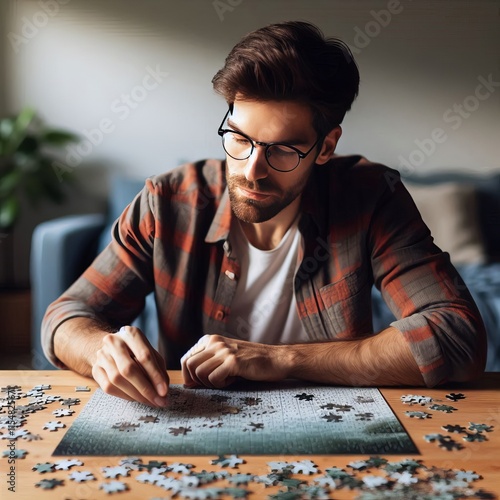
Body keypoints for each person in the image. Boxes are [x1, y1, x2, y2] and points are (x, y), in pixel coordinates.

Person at [42, 21, 486, 408]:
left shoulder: (372, 197)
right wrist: (103, 349)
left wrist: (279, 359)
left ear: (326, 147)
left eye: (283, 150)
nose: (252, 170)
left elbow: (457, 336)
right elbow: (66, 318)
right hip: (197, 427)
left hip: (334, 428)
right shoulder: (167, 202)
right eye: (239, 138)